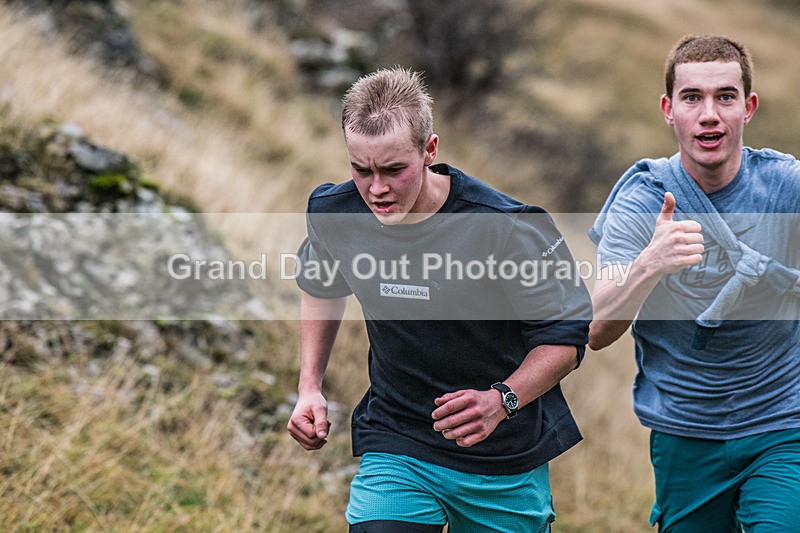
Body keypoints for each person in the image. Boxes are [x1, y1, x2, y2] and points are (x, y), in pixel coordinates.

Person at [286, 67, 592, 532]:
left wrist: (502, 399)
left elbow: (566, 339)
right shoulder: (335, 213)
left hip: (502, 458)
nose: (377, 189)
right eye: (360, 169)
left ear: (430, 150)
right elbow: (321, 288)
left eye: (393, 170)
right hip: (398, 439)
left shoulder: (507, 227)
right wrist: (310, 385)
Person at [589, 35, 800, 531]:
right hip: (685, 432)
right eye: (692, 98)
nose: (710, 114)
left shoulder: (786, 187)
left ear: (747, 107)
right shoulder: (642, 200)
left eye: (725, 96)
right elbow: (595, 328)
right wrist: (649, 264)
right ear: (669, 109)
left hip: (783, 425)